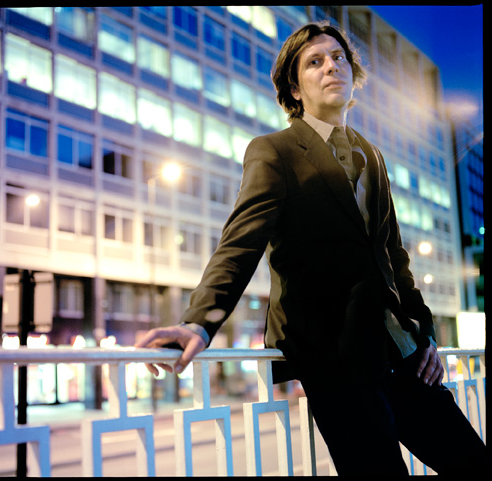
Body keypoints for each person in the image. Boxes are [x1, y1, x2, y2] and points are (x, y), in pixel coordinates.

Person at [135, 22, 488, 477]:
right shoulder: (274, 151)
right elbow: (240, 242)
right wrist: (199, 323)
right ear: (295, 89)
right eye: (315, 62)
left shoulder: (372, 155)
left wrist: (426, 334)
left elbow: (394, 257)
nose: (331, 67)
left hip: (402, 352)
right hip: (335, 359)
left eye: (338, 58)